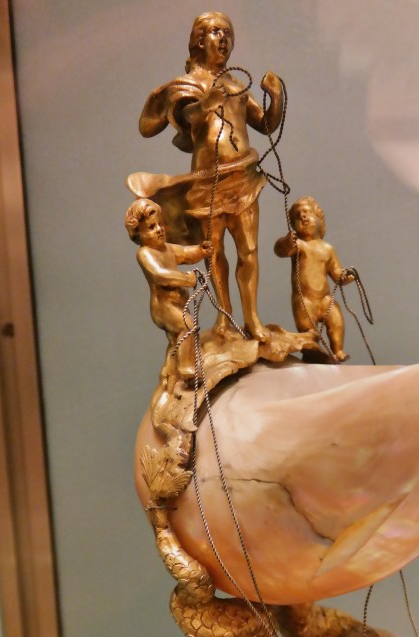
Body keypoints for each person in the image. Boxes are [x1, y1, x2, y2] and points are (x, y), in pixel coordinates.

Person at [133, 11, 284, 342]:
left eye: (227, 33)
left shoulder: (236, 86)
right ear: (200, 40)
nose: (223, 39)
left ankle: (252, 319)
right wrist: (206, 104)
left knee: (249, 250)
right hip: (207, 181)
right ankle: (225, 317)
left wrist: (276, 97)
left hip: (243, 176)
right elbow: (185, 115)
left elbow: (265, 125)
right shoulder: (189, 83)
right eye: (216, 32)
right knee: (213, 251)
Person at [125, 197, 211, 377]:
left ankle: (169, 371)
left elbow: (185, 253)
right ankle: (186, 368)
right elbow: (160, 276)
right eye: (151, 227)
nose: (159, 230)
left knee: (175, 341)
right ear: (138, 234)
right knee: (187, 326)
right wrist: (186, 279)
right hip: (164, 307)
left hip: (177, 304)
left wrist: (200, 251)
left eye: (160, 224)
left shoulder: (166, 248)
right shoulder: (145, 254)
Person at [274, 196, 353, 362]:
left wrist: (345, 277)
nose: (302, 216)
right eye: (298, 216)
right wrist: (287, 242)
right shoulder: (298, 245)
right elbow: (280, 250)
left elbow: (336, 273)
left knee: (337, 321)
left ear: (319, 217)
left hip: (325, 299)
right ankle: (310, 351)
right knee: (308, 332)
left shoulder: (328, 248)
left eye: (307, 212)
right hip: (305, 301)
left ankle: (337, 350)